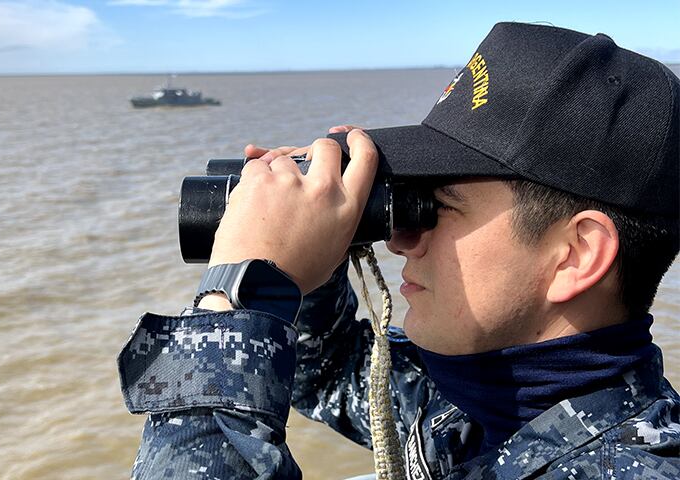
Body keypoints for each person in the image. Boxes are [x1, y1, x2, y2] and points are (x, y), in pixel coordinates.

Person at [118, 22, 680, 479]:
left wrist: (237, 299)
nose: (399, 237)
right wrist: (313, 253)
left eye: (441, 207)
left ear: (576, 255)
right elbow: (326, 375)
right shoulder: (471, 400)